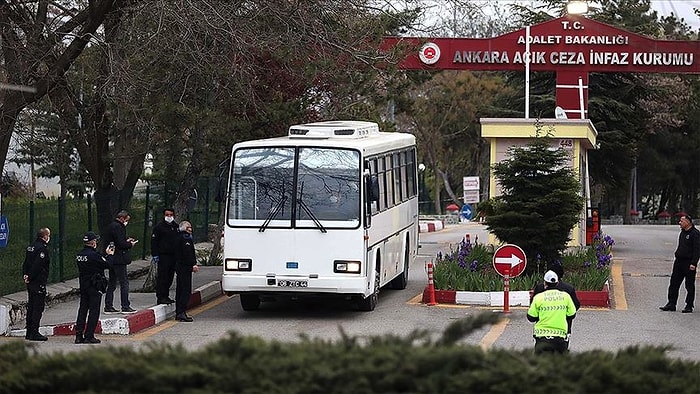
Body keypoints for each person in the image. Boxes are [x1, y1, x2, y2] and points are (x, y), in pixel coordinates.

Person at [75, 232, 114, 344]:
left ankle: (78, 335)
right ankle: (89, 335)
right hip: (94, 285)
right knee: (94, 311)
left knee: (82, 310)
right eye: (95, 241)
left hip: (83, 285)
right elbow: (108, 265)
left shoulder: (80, 255)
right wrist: (110, 255)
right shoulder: (94, 255)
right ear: (92, 243)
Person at [531, 262, 581, 348]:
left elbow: (532, 312)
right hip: (562, 332)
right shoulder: (568, 289)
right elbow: (575, 307)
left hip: (542, 334)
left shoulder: (540, 288)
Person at [660, 214, 700, 313]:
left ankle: (689, 305)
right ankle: (671, 303)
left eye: (681, 221)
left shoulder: (695, 234)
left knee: (689, 285)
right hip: (679, 262)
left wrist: (694, 263)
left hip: (689, 263)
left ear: (687, 222)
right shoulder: (682, 233)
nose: (680, 223)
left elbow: (697, 250)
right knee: (674, 283)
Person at [101, 210, 138, 314]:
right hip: (119, 259)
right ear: (122, 218)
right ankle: (125, 306)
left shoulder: (111, 226)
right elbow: (120, 243)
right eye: (126, 220)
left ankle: (108, 306)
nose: (126, 222)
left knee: (112, 283)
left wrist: (125, 240)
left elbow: (116, 240)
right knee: (124, 282)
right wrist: (130, 244)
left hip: (111, 258)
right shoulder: (118, 227)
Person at [22, 227, 51, 341]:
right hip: (37, 281)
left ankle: (29, 332)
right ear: (45, 236)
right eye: (48, 235)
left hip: (30, 281)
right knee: (37, 308)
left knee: (31, 306)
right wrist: (30, 276)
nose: (49, 238)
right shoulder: (42, 249)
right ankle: (34, 332)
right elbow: (37, 266)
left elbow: (26, 263)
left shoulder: (31, 246)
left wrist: (25, 275)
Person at [151, 208, 179, 305]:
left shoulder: (175, 227)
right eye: (167, 215)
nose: (169, 217)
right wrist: (155, 254)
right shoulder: (159, 227)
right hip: (163, 256)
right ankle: (161, 296)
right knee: (163, 277)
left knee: (170, 277)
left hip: (173, 256)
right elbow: (154, 242)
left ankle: (166, 295)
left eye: (171, 215)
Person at [174, 220, 199, 322]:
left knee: (180, 289)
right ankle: (181, 312)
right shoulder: (185, 238)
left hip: (180, 267)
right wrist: (193, 264)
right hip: (185, 267)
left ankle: (179, 312)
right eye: (189, 227)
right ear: (185, 228)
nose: (190, 229)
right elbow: (187, 253)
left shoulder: (178, 236)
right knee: (185, 290)